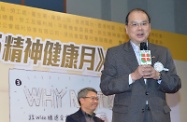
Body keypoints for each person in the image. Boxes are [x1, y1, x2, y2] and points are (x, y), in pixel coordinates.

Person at [100, 8, 181, 122]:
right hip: (127, 117)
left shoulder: (162, 52)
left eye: (144, 23)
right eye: (134, 24)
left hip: (158, 117)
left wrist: (158, 76)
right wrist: (132, 76)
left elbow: (175, 84)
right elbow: (106, 86)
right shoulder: (115, 53)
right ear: (126, 29)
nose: (140, 28)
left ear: (150, 27)